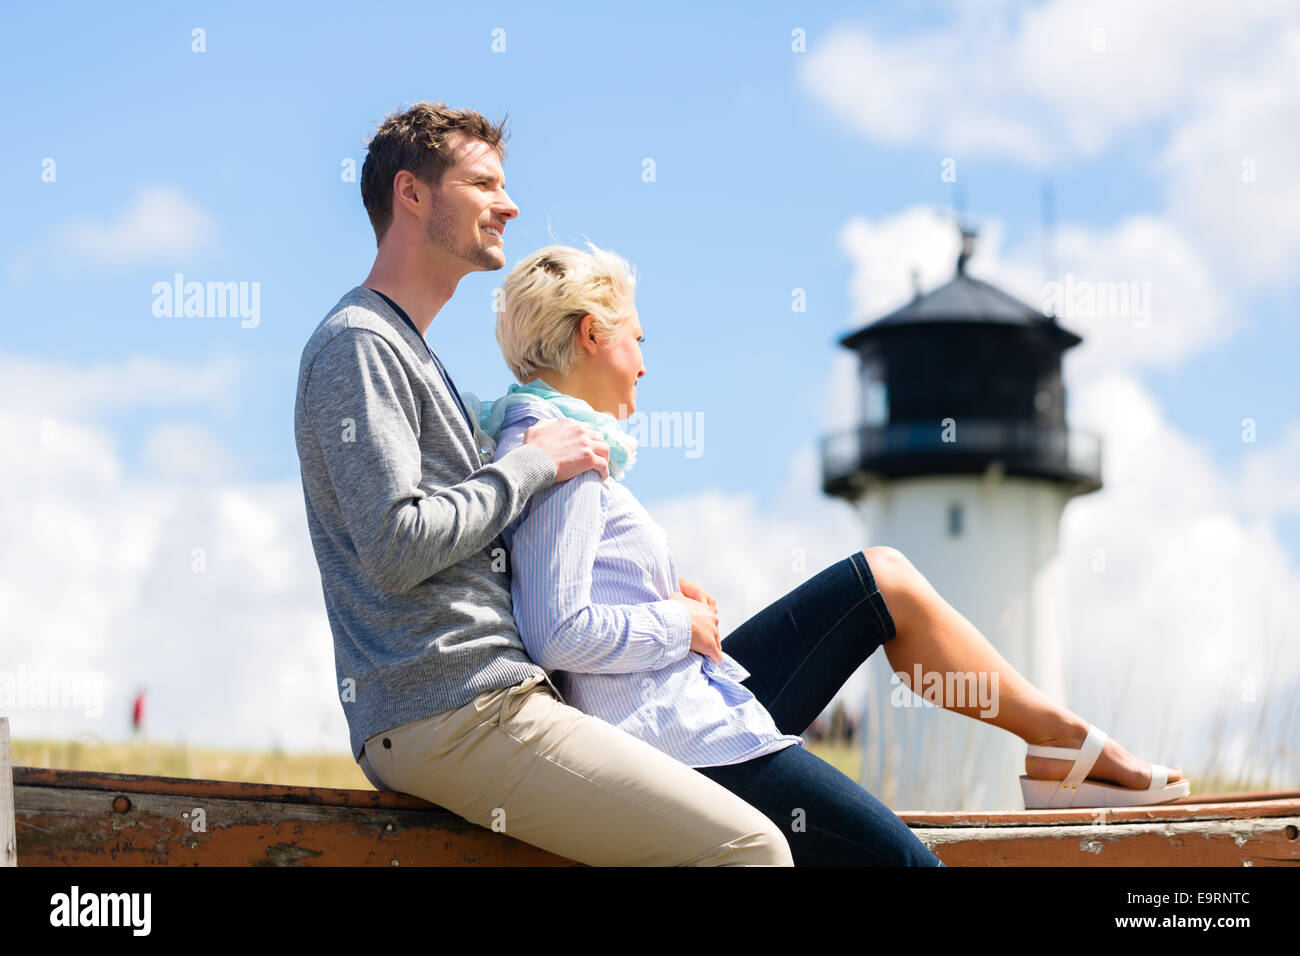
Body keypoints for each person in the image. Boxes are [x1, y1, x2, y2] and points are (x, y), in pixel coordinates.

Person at [472, 241, 1191, 866]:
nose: (645, 366)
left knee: (883, 579)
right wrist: (675, 623)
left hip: (690, 706)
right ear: (593, 334)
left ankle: (1062, 743)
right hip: (680, 750)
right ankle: (1067, 751)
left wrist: (664, 599)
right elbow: (558, 632)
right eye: (638, 340)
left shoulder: (556, 439)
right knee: (908, 866)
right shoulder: (562, 454)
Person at [294, 102, 795, 866]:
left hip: (474, 704)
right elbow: (397, 544)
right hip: (456, 706)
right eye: (485, 182)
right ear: (413, 194)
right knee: (750, 849)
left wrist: (646, 586)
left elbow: (487, 547)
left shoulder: (412, 351)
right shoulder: (358, 345)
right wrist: (534, 464)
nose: (511, 203)